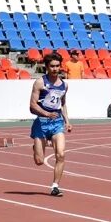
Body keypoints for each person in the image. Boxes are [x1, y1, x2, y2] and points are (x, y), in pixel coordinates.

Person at [29, 52, 73, 196]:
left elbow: (63, 105)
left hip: (57, 123)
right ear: (47, 67)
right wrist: (46, 114)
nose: (55, 69)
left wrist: (67, 121)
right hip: (41, 123)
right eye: (52, 66)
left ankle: (55, 186)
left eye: (57, 66)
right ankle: (36, 147)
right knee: (39, 161)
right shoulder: (40, 82)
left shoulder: (64, 86)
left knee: (60, 155)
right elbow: (32, 106)